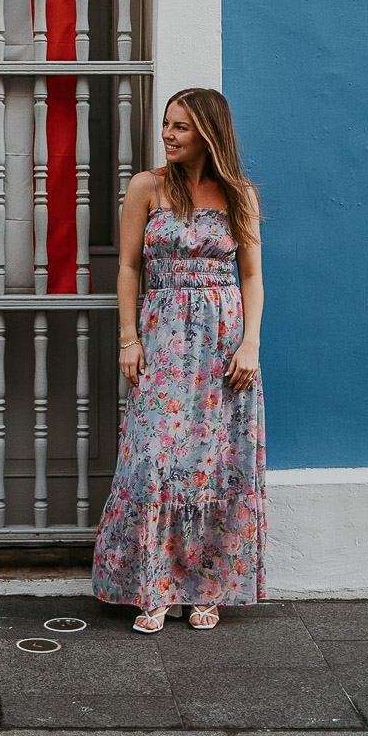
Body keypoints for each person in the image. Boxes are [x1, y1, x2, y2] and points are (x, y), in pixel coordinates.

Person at [92, 87, 265, 632]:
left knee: (212, 464)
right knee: (153, 462)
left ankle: (205, 586)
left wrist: (250, 344)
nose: (168, 134)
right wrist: (128, 338)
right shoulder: (147, 187)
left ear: (208, 134)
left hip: (222, 346)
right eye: (166, 124)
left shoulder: (239, 195)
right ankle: (154, 585)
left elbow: (253, 277)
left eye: (180, 127)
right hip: (162, 342)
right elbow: (128, 270)